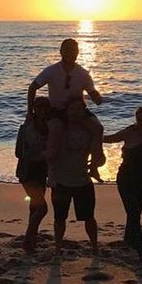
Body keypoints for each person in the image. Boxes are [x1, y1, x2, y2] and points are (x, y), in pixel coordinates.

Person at [27, 38, 105, 182]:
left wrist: (97, 97)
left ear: (78, 53)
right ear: (61, 52)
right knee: (55, 131)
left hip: (79, 111)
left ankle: (94, 166)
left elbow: (92, 92)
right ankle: (51, 172)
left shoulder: (83, 73)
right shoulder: (51, 71)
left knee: (98, 128)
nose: (71, 53)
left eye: (74, 50)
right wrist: (30, 113)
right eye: (68, 50)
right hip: (58, 111)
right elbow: (32, 88)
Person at [104, 106, 142, 265]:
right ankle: (140, 250)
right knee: (133, 212)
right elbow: (110, 138)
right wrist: (91, 133)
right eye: (139, 120)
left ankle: (128, 238)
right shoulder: (129, 132)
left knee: (136, 211)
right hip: (126, 177)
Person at [47, 96, 99, 256]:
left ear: (84, 111)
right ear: (67, 111)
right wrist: (51, 176)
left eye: (79, 109)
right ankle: (57, 249)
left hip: (83, 180)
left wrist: (96, 164)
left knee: (89, 218)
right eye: (72, 109)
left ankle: (95, 247)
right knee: (59, 218)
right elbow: (51, 154)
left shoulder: (90, 131)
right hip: (62, 181)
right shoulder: (58, 130)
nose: (75, 113)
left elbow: (100, 156)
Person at [15, 97, 51, 253]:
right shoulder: (27, 127)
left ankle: (32, 239)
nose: (42, 110)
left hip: (42, 171)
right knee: (42, 208)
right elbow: (18, 152)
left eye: (45, 107)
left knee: (34, 206)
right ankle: (28, 238)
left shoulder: (51, 126)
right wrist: (35, 156)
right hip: (27, 170)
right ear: (34, 108)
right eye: (39, 107)